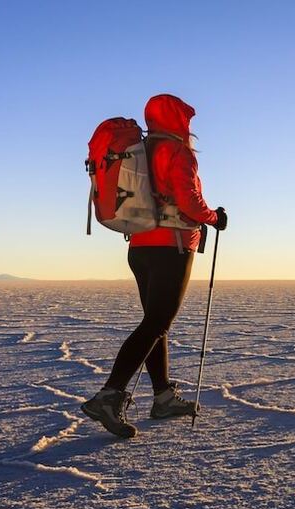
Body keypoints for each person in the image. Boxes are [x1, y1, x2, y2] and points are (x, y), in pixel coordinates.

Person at [81, 94, 228, 438]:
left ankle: (162, 396)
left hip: (140, 247)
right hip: (171, 248)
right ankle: (110, 395)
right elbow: (189, 203)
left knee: (155, 323)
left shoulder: (142, 150)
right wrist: (214, 218)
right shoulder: (178, 152)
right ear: (179, 120)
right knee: (156, 323)